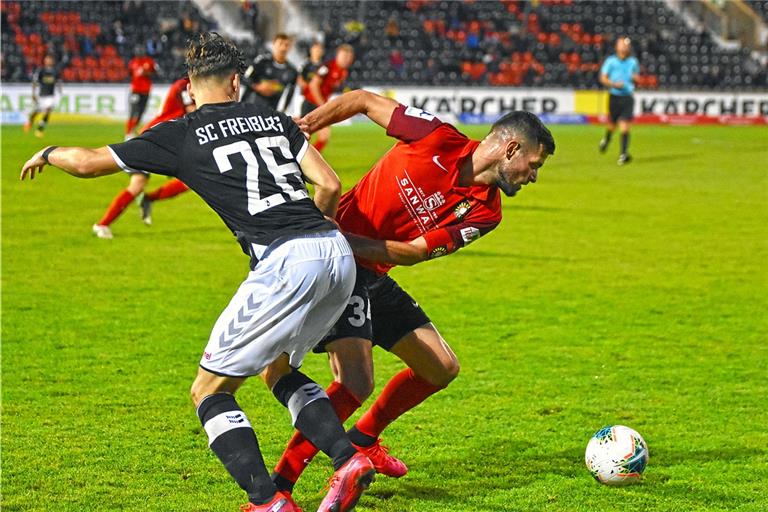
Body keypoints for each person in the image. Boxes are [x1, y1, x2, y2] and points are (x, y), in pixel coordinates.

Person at [21, 32, 375, 512]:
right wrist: (321, 230)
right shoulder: (272, 117)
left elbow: (88, 163)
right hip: (335, 252)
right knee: (278, 370)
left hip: (285, 260)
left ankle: (267, 501)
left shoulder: (180, 132)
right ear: (236, 81)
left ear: (190, 85)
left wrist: (47, 153)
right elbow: (330, 182)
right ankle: (346, 458)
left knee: (208, 391)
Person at [271, 90, 556, 494]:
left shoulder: (487, 212)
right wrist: (307, 126)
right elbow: (364, 101)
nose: (533, 176)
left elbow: (413, 253)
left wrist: (339, 236)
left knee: (441, 367)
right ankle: (278, 489)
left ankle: (363, 440)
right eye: (534, 164)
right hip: (336, 270)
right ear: (511, 149)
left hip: (371, 269)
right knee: (355, 382)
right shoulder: (434, 137)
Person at [92, 76, 195, 239]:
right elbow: (192, 110)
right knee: (138, 183)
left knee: (190, 180)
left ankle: (147, 199)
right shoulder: (184, 85)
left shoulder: (190, 84)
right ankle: (102, 224)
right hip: (156, 137)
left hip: (170, 137)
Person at [300, 44, 354, 153]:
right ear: (337, 56)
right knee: (303, 137)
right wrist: (323, 105)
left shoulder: (343, 72)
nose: (346, 60)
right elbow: (313, 85)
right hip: (311, 103)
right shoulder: (326, 67)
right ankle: (302, 160)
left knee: (323, 137)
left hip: (319, 105)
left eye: (349, 58)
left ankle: (306, 160)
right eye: (344, 56)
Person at [598, 36, 640, 165]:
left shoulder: (633, 62)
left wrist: (635, 79)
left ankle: (623, 154)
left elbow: (637, 79)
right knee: (612, 125)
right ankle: (606, 139)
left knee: (625, 126)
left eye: (626, 45)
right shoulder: (611, 61)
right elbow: (603, 78)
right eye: (622, 45)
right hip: (614, 96)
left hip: (627, 97)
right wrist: (614, 84)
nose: (624, 47)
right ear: (617, 47)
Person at [241, 33, 298, 113]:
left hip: (270, 114)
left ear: (290, 48)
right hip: (250, 108)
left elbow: (290, 94)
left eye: (287, 45)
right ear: (274, 44)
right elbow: (244, 79)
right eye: (280, 44)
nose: (283, 48)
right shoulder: (262, 61)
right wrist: (258, 87)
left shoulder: (292, 70)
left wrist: (283, 111)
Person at [125, 45, 157, 139]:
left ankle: (133, 129)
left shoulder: (149, 61)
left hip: (146, 91)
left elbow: (154, 73)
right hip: (135, 90)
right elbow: (130, 74)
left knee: (141, 112)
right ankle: (128, 133)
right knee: (133, 111)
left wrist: (146, 73)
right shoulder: (132, 62)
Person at [25, 54, 61, 138]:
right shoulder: (41, 70)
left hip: (50, 96)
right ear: (45, 61)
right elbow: (35, 82)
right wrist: (33, 94)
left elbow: (58, 82)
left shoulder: (55, 71)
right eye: (48, 59)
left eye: (51, 59)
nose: (49, 61)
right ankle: (30, 121)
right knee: (36, 112)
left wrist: (60, 91)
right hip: (41, 95)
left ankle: (40, 129)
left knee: (48, 110)